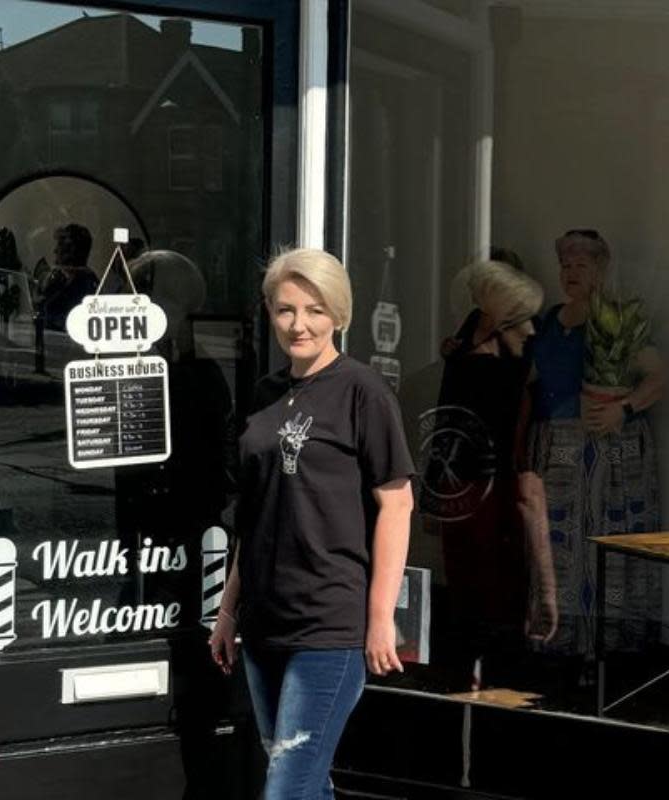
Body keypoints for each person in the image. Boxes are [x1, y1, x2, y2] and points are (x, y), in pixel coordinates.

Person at [208, 248, 415, 800]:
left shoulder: (362, 391)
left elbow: (397, 504)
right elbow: (254, 513)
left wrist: (379, 618)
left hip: (329, 624)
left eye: (315, 310)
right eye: (285, 310)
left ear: (339, 316)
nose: (299, 324)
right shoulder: (264, 395)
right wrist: (228, 610)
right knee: (303, 782)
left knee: (287, 789)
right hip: (264, 622)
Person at [528, 229, 666, 667]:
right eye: (565, 265)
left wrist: (622, 409)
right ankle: (561, 638)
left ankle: (607, 644)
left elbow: (659, 377)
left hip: (608, 450)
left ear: (600, 270)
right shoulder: (551, 319)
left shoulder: (616, 319)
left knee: (602, 540)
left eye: (580, 265)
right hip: (558, 450)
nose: (570, 273)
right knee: (559, 543)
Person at [424, 260, 557, 690]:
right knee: (500, 635)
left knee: (466, 625)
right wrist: (547, 587)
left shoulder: (464, 361)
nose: (533, 333)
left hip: (458, 499)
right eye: (524, 323)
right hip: (493, 509)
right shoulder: (500, 379)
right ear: (501, 326)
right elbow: (521, 478)